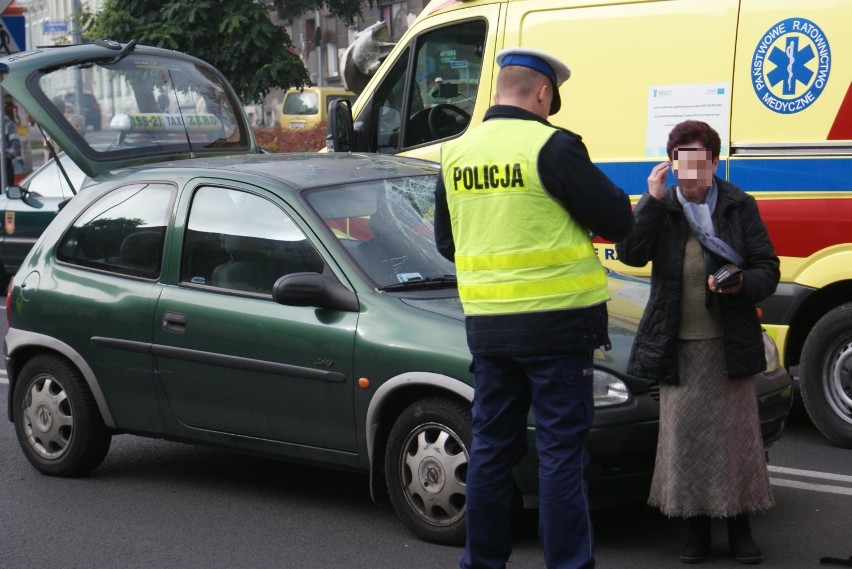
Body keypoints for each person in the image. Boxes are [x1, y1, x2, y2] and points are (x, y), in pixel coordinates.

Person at [433, 47, 634, 569]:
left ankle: (482, 564)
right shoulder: (554, 147)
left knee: (493, 450)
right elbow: (618, 220)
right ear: (543, 93)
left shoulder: (456, 154)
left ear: (501, 89)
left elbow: (446, 243)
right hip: (559, 330)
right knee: (560, 456)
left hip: (490, 331)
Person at [615, 120, 780, 565]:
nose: (689, 171)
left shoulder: (738, 205)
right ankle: (696, 533)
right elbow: (630, 253)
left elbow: (769, 269)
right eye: (680, 160)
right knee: (687, 444)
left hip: (729, 343)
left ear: (713, 161)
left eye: (698, 160)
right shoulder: (664, 208)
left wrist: (740, 284)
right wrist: (649, 201)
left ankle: (741, 530)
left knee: (737, 444)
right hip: (680, 346)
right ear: (671, 163)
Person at [3, 95, 21, 187]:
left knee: (6, 192)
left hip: (5, 164)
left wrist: (7, 158)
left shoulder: (7, 124)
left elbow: (16, 143)